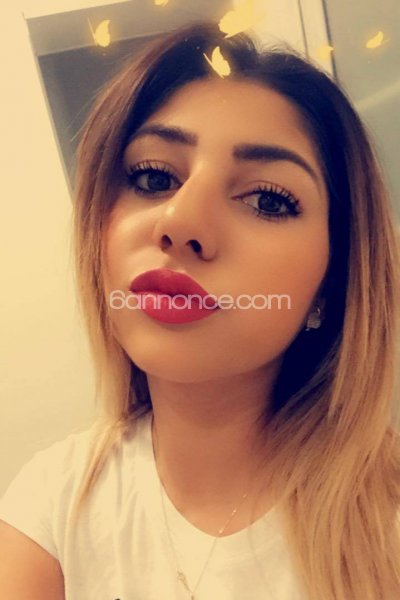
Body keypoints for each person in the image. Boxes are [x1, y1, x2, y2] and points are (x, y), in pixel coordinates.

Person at [1, 18, 400, 600]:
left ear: (332, 280)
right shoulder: (50, 507)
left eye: (268, 200)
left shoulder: (387, 522)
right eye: (152, 177)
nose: (181, 220)